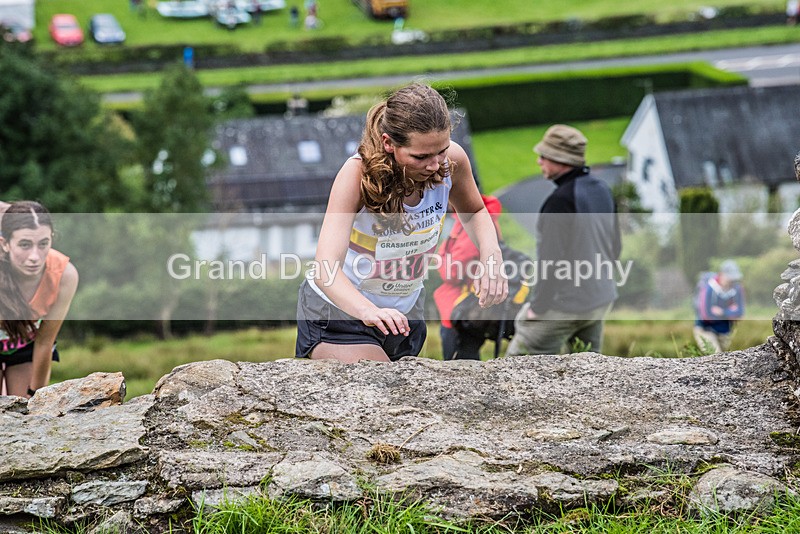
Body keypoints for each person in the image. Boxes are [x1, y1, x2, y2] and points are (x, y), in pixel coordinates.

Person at [296, 82, 508, 363]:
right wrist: (368, 312)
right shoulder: (356, 174)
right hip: (340, 314)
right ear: (388, 144)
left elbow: (475, 211)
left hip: (403, 315)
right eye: (420, 156)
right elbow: (325, 269)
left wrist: (491, 256)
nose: (435, 165)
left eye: (441, 150)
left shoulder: (452, 160)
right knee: (381, 392)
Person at [506, 124, 621, 356]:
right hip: (600, 300)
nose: (539, 161)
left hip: (565, 306)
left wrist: (537, 308)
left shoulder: (559, 202)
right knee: (590, 369)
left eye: (543, 155)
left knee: (517, 366)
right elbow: (615, 247)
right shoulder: (602, 189)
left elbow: (549, 262)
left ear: (560, 159)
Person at [0, 201, 79, 398]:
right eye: (25, 244)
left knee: (22, 412)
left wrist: (36, 397)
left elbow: (45, 342)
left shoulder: (65, 275)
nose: (35, 256)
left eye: (43, 244)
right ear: (5, 244)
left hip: (24, 346)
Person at [434, 194, 503, 360]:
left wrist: (439, 258)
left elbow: (453, 271)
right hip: (465, 306)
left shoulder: (470, 221)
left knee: (459, 363)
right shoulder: (476, 217)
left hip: (461, 307)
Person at [693, 260, 745, 353]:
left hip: (725, 332)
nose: (731, 281)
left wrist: (722, 312)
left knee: (726, 360)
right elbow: (707, 315)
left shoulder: (737, 288)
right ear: (721, 274)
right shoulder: (708, 288)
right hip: (705, 330)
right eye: (729, 278)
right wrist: (730, 312)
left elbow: (740, 313)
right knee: (715, 355)